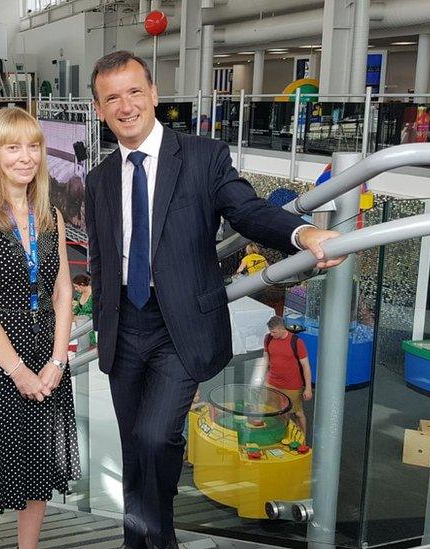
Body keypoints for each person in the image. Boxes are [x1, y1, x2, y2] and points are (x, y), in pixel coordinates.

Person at [83, 51, 343, 549]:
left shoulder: (204, 156)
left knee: (157, 437)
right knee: (136, 447)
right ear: (99, 110)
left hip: (179, 326)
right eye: (112, 97)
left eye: (135, 91)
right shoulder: (98, 180)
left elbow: (247, 211)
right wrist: (100, 319)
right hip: (123, 326)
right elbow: (100, 258)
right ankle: (139, 541)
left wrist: (304, 233)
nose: (126, 105)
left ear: (154, 95)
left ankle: (156, 542)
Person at [0, 107, 80, 548]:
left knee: (37, 466)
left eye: (34, 146)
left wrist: (58, 360)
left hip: (46, 356)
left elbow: (63, 291)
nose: (26, 157)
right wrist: (19, 371)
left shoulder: (52, 218)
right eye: (13, 147)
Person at [263, 316, 312, 439]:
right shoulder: (268, 338)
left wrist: (308, 388)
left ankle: (302, 439)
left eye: (274, 332)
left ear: (281, 329)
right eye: (270, 331)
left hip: (292, 386)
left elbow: (306, 366)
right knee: (276, 412)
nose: (271, 334)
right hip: (272, 383)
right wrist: (263, 377)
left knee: (298, 413)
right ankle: (284, 437)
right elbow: (266, 358)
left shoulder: (297, 342)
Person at [71, 274, 96, 347]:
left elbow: (97, 312)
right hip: (80, 327)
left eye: (76, 287)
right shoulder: (79, 296)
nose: (75, 289)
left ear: (82, 284)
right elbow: (76, 309)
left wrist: (79, 317)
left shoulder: (95, 294)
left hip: (91, 327)